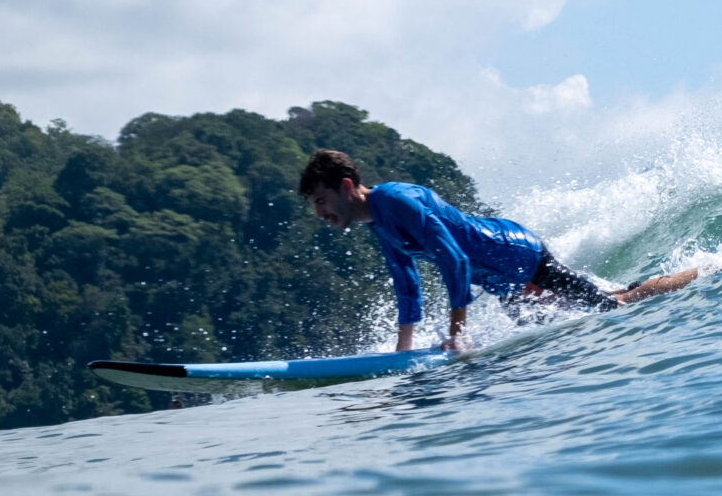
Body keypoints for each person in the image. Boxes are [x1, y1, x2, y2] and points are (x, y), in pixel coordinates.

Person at [298, 149, 699, 353]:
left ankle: (699, 275)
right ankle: (669, 281)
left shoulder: (396, 201)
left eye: (321, 201)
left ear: (347, 187)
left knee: (611, 310)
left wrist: (457, 335)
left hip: (522, 256)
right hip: (502, 280)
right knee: (584, 312)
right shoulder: (380, 224)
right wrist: (401, 354)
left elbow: (453, 258)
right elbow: (407, 286)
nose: (320, 213)